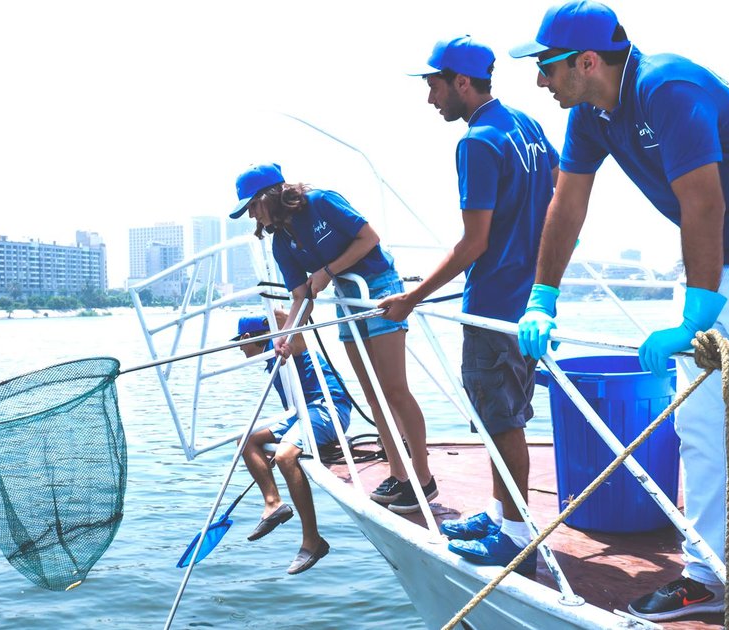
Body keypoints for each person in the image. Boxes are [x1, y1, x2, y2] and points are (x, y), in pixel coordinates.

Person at [510, 2, 729, 626]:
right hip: (713, 265)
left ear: (586, 61)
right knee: (696, 429)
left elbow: (704, 202)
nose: (540, 81)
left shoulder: (666, 85)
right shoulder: (592, 114)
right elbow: (568, 202)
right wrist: (543, 295)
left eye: (546, 66)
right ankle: (704, 576)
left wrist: (695, 316)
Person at [379, 35, 557, 575]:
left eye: (434, 85)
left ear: (461, 82)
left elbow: (472, 243)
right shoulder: (527, 127)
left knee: (501, 422)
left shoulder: (478, 141)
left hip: (493, 304)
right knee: (507, 415)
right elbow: (553, 204)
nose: (430, 98)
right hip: (529, 302)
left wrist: (411, 297)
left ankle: (517, 537)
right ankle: (502, 514)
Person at [230, 163, 437, 515]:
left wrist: (327, 271)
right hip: (346, 301)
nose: (252, 215)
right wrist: (286, 337)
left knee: (394, 389)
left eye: (252, 205)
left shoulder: (322, 202)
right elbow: (301, 296)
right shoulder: (282, 242)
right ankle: (400, 476)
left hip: (379, 290)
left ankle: (423, 477)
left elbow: (369, 238)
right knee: (372, 393)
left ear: (269, 196)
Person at [234, 312, 352, 575]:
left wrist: (271, 312)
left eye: (240, 343)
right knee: (246, 441)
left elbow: (290, 320)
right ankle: (273, 503)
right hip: (301, 413)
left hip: (327, 409)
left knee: (287, 456)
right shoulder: (272, 357)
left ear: (247, 338)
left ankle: (313, 540)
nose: (240, 349)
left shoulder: (287, 345)